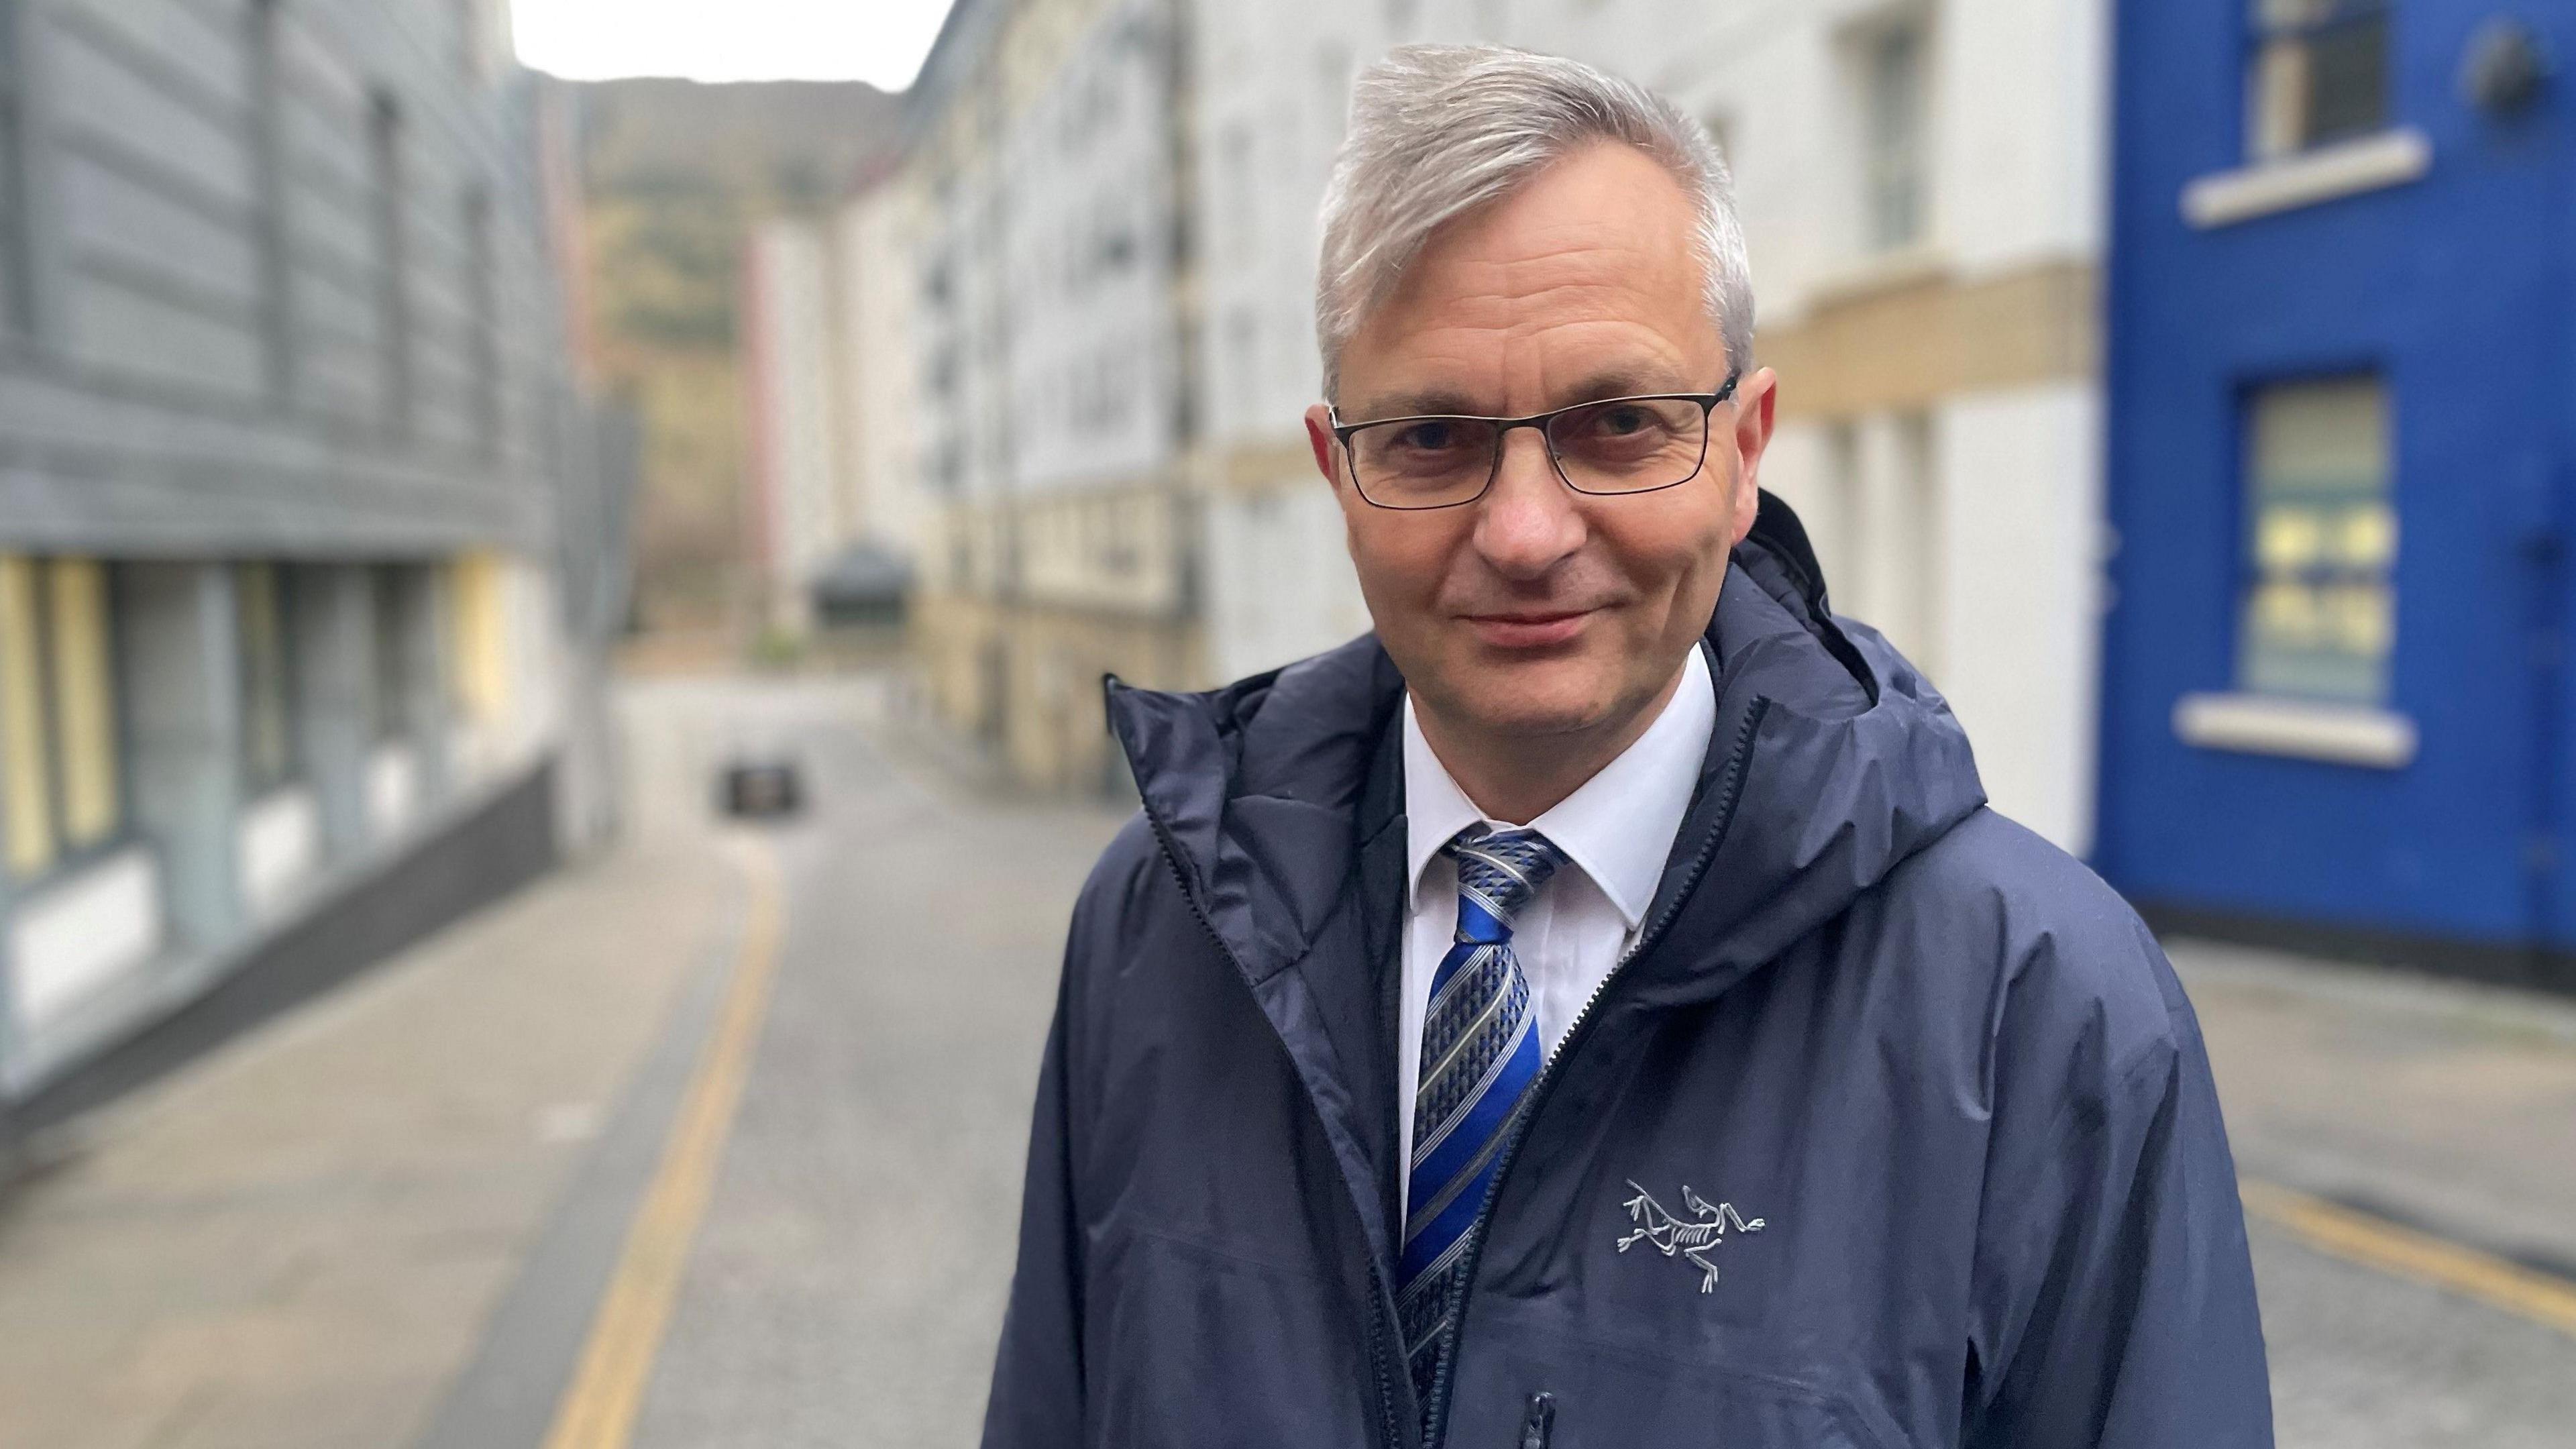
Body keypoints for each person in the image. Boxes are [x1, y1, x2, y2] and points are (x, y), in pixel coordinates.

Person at [981, 44, 2270, 1449]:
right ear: (1334, 471)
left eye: (1618, 427)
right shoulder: (1156, 925)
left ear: (1744, 448)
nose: (1526, 533)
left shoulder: (2044, 1010)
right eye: (1430, 438)